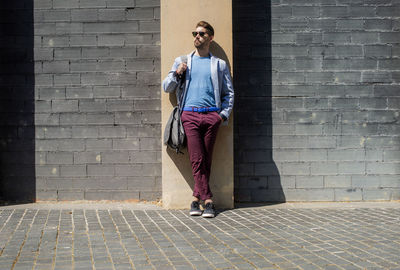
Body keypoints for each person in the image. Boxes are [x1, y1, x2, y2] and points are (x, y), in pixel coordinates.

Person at [162, 21, 234, 218]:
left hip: (212, 116)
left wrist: (222, 115)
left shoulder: (218, 64)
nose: (197, 36)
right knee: (197, 158)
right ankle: (208, 200)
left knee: (206, 159)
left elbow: (229, 92)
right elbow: (166, 87)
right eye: (195, 33)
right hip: (189, 114)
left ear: (210, 38)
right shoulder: (182, 60)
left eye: (202, 34)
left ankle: (195, 199)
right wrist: (177, 73)